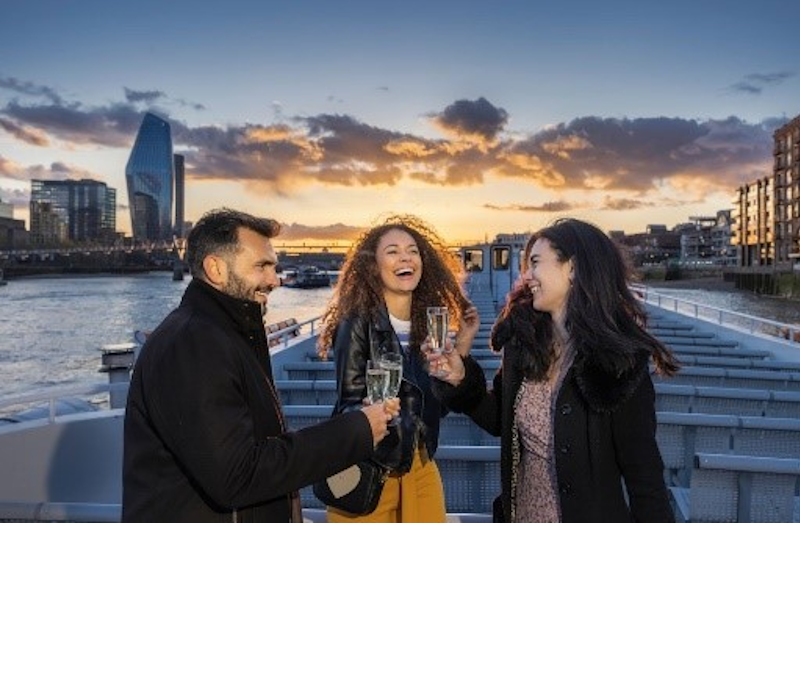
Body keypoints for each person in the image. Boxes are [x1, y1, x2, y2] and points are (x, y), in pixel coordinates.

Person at [122, 207, 397, 522]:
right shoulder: (194, 343)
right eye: (262, 266)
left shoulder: (221, 333)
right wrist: (356, 431)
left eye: (275, 266)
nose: (275, 280)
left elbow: (250, 446)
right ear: (216, 269)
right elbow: (236, 475)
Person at [426, 217, 677, 522]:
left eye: (535, 263)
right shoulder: (524, 345)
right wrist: (461, 378)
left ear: (571, 268)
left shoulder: (617, 363)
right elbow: (499, 420)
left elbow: (645, 478)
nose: (526, 277)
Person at [317, 214, 479, 523]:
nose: (405, 256)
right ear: (372, 267)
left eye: (413, 250)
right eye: (392, 251)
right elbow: (349, 402)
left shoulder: (428, 330)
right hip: (370, 466)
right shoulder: (355, 323)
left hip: (419, 462)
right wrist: (369, 410)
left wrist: (463, 345)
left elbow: (437, 410)